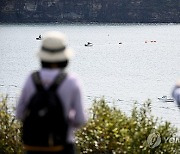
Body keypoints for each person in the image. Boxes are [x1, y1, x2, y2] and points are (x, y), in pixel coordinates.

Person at [16, 31, 86, 154]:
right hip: (62, 145)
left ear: (42, 57)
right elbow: (80, 119)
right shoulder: (72, 80)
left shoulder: (31, 79)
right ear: (65, 57)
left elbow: (20, 114)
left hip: (33, 146)